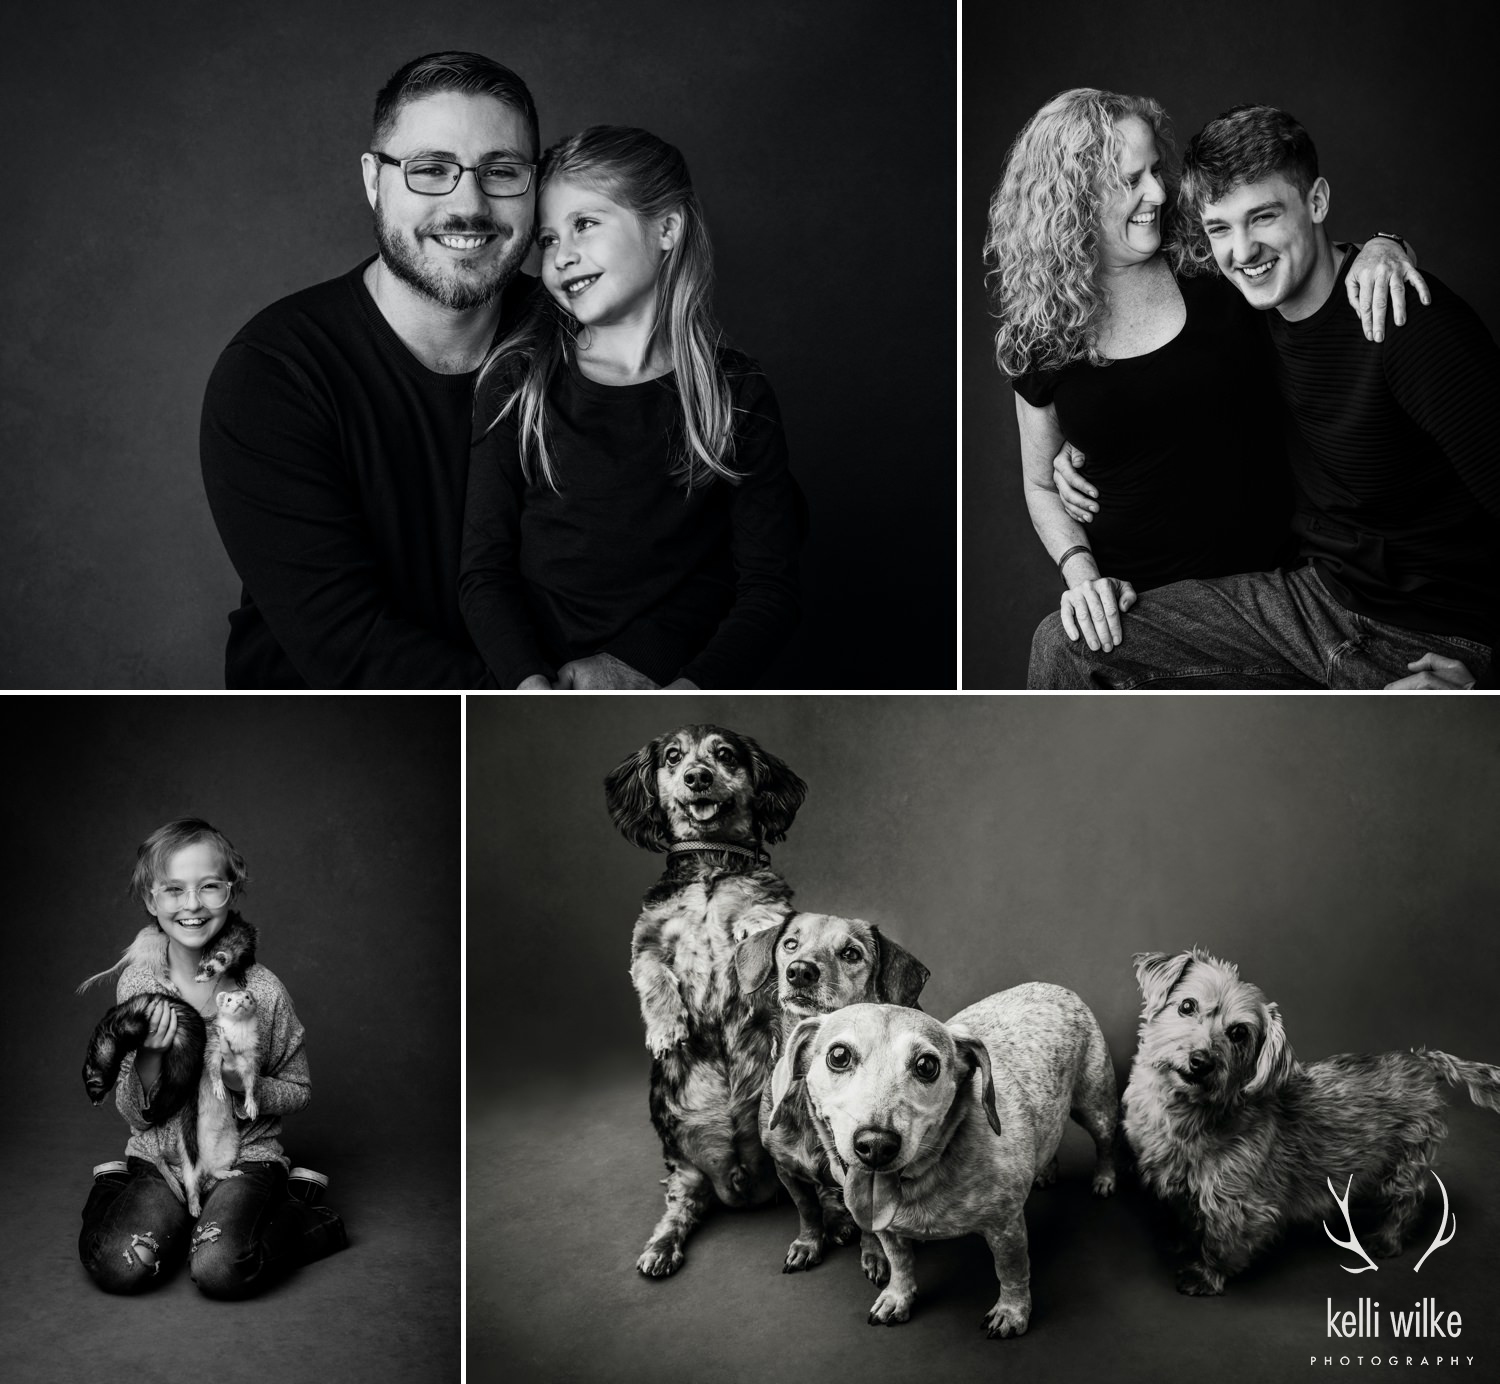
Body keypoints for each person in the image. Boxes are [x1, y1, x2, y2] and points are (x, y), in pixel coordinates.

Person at [1029, 105, 1499, 689]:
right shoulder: (1255, 313)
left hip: (1429, 636)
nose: (1243, 252)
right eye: (1221, 228)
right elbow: (1152, 397)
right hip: (1310, 599)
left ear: (1318, 203)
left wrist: (1489, 679)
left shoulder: (1405, 322)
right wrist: (1067, 450)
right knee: (1067, 646)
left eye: (1264, 217)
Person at [200, 52, 537, 688]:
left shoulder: (581, 340)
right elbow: (345, 646)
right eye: (430, 169)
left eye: (502, 171)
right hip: (340, 733)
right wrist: (536, 700)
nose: (468, 205)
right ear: (373, 180)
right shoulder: (274, 374)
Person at [458, 126, 804, 690]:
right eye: (546, 240)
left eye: (585, 224)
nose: (562, 256)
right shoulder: (518, 382)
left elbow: (769, 588)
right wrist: (528, 682)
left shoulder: (734, 392)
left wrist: (683, 687)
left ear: (666, 228)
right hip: (539, 691)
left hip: (673, 686)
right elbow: (483, 573)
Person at [77, 819, 346, 1296]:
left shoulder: (262, 991)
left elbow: (300, 1091)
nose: (192, 905)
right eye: (174, 890)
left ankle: (307, 1210)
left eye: (209, 888)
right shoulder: (139, 984)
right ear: (151, 900)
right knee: (120, 1266)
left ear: (232, 890)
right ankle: (115, 1187)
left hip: (243, 1157)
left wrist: (245, 1086)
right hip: (161, 1158)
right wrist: (149, 1061)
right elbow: (134, 1116)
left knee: (220, 1269)